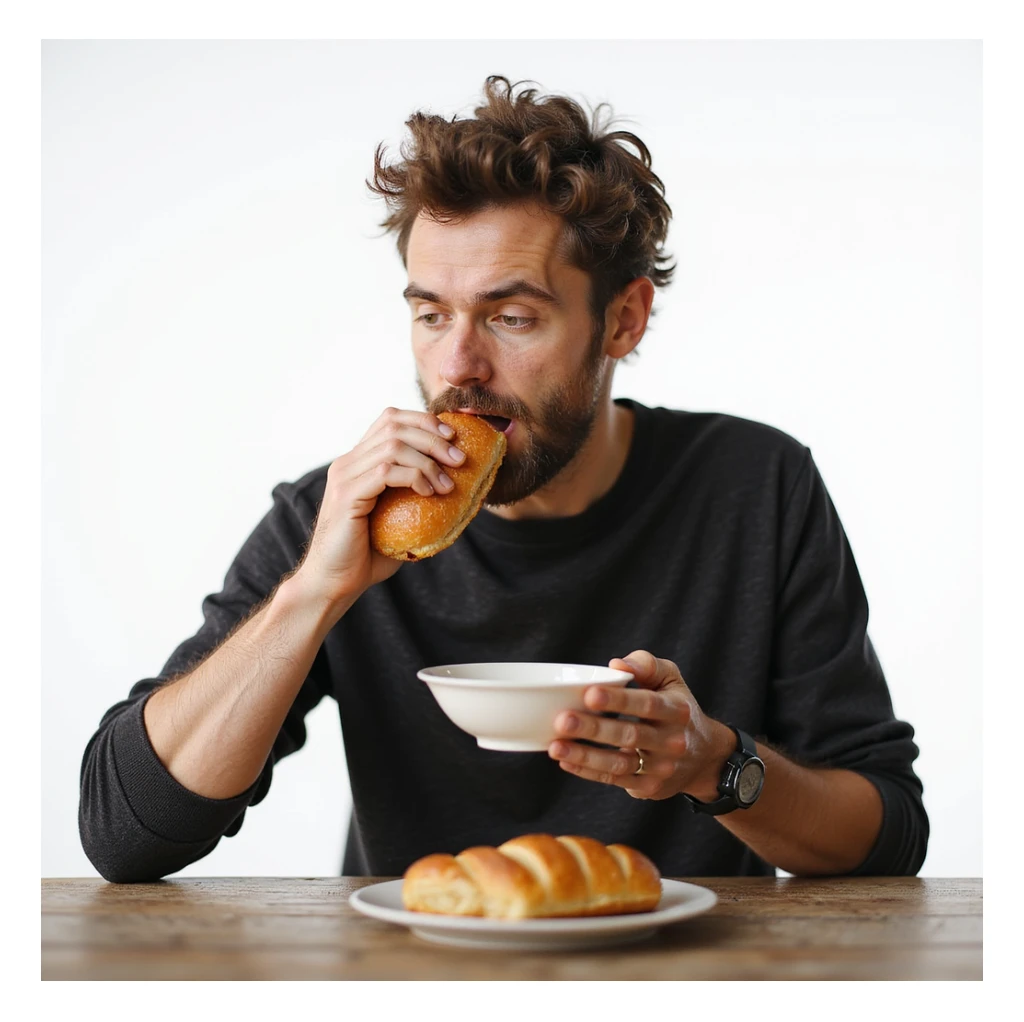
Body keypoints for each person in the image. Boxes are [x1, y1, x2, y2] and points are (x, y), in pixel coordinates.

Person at [79, 76, 928, 883]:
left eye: (511, 316)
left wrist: (716, 765)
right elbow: (125, 833)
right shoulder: (340, 516)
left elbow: (887, 836)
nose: (457, 366)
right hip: (409, 973)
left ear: (622, 319)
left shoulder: (756, 487)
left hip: (678, 971)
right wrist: (312, 596)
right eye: (430, 313)